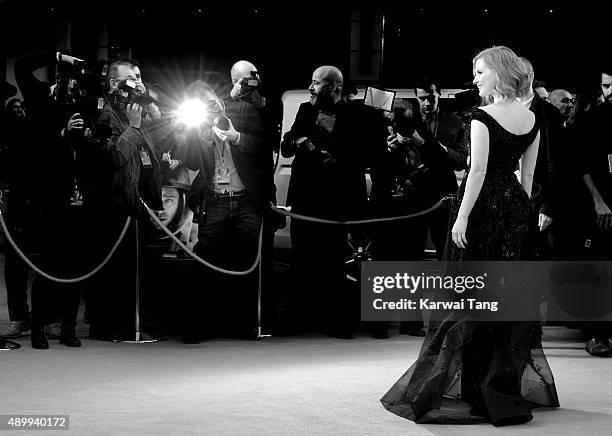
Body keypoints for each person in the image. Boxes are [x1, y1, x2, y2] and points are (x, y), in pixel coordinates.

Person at [381, 46, 559, 426]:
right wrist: (519, 219)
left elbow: (476, 173)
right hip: (514, 210)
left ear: (498, 73)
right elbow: (526, 179)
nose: (475, 79)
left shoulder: (481, 117)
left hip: (480, 210)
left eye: (480, 72)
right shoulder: (531, 119)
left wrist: (461, 218)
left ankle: (473, 389)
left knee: (468, 296)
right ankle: (498, 389)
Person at [280, 65, 384, 339]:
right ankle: (297, 320)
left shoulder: (357, 114)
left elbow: (370, 153)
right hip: (306, 199)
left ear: (335, 87)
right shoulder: (305, 109)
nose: (311, 88)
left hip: (339, 200)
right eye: (311, 82)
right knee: (301, 259)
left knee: (337, 262)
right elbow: (286, 144)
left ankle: (340, 323)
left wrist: (338, 158)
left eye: (316, 83)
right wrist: (299, 140)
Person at [183, 80, 265, 343]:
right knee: (204, 259)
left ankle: (245, 325)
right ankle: (198, 326)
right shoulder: (198, 127)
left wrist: (235, 137)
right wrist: (194, 134)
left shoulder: (241, 111)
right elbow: (192, 162)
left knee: (246, 261)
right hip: (216, 199)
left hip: (245, 199)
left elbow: (263, 148)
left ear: (217, 98)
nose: (209, 108)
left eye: (210, 101)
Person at [577, 65, 612, 356]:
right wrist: (598, 201)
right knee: (596, 271)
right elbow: (582, 165)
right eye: (606, 86)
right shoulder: (592, 119)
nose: (610, 92)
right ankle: (596, 334)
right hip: (598, 206)